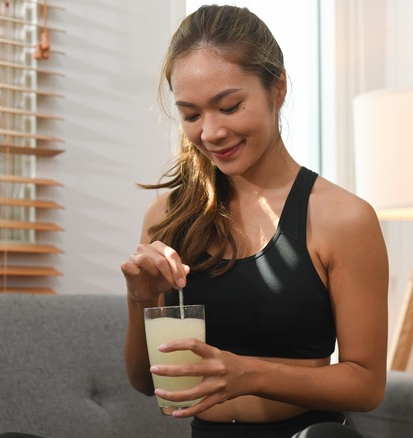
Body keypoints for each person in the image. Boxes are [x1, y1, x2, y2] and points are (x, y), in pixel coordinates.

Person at [121, 4, 389, 438]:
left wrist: (247, 374)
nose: (210, 132)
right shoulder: (167, 218)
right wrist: (141, 299)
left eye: (229, 107)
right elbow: (146, 382)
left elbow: (366, 384)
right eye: (191, 115)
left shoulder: (344, 219)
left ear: (277, 88)